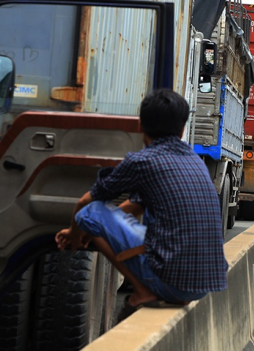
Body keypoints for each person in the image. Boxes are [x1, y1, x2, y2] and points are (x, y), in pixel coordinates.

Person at [55, 88, 228, 322]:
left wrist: (74, 234)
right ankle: (159, 288)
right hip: (204, 284)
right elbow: (134, 207)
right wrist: (94, 230)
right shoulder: (193, 160)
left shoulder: (142, 161)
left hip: (171, 282)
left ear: (140, 126)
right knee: (100, 219)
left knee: (91, 212)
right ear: (183, 128)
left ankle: (142, 289)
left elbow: (86, 203)